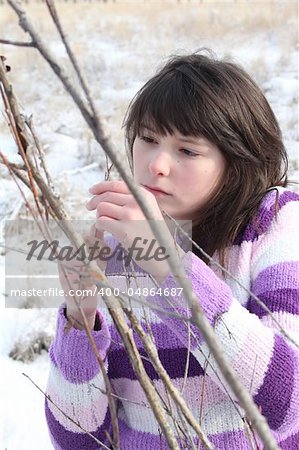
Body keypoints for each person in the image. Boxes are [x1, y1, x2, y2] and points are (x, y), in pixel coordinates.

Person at [45, 51, 299, 449]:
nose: (157, 164)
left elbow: (287, 400)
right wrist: (80, 320)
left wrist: (169, 266)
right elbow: (79, 440)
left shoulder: (275, 223)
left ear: (237, 162)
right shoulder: (115, 246)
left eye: (188, 150)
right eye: (147, 139)